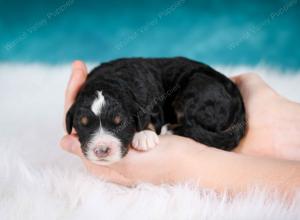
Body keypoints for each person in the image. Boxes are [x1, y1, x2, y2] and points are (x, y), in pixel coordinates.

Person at [60, 61, 300, 196]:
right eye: (85, 125)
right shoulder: (110, 93)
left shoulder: (143, 100)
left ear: (139, 115)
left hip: (205, 90)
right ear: (73, 120)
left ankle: (193, 130)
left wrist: (151, 129)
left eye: (118, 123)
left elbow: (151, 112)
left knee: (190, 99)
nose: (100, 145)